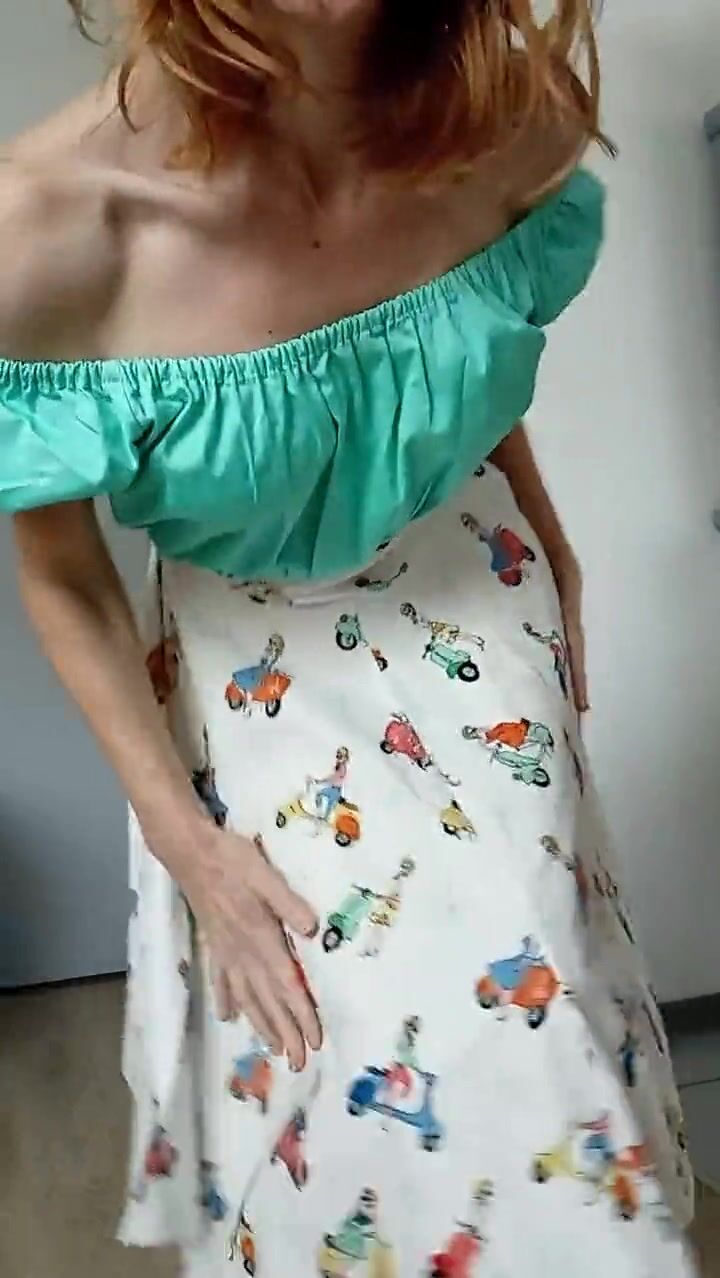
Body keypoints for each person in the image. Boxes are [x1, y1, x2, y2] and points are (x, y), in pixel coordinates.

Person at [0, 2, 696, 1275]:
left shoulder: (506, 117)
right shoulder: (43, 224)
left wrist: (549, 544)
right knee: (326, 1060)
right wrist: (188, 847)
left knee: (546, 1014)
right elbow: (64, 572)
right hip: (244, 655)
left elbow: (447, 351)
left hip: (476, 593)